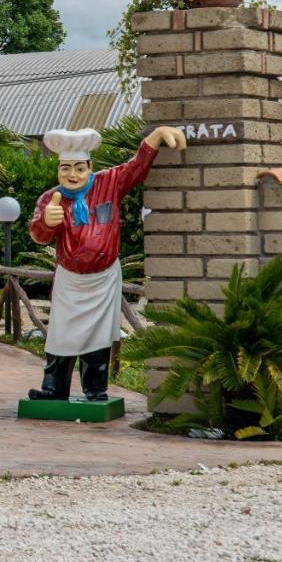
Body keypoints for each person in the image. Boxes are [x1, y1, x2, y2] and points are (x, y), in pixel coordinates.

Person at [27, 125, 187, 401]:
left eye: (79, 168)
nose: (72, 175)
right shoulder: (49, 199)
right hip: (70, 277)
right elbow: (38, 235)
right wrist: (45, 222)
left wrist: (156, 135)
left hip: (102, 278)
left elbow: (136, 167)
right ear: (58, 169)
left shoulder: (109, 183)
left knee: (98, 337)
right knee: (60, 334)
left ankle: (95, 389)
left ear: (90, 167)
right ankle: (53, 389)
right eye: (66, 168)